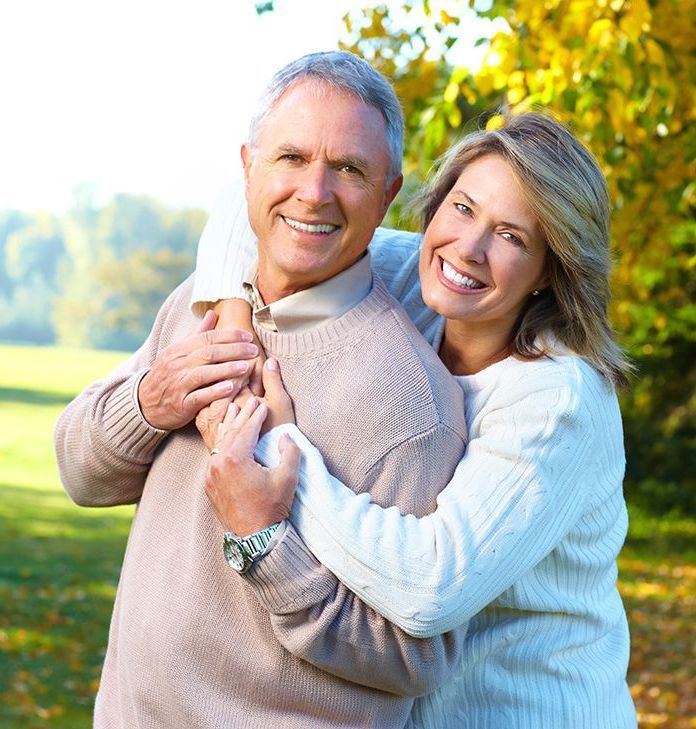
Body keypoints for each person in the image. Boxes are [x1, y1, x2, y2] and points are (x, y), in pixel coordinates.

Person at [54, 51, 469, 729]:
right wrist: (150, 402)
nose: (314, 192)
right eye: (291, 158)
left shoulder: (411, 404)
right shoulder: (198, 303)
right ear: (248, 167)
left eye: (349, 169)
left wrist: (264, 542)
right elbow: (79, 473)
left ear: (388, 193)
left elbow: (414, 658)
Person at [194, 111, 639, 728]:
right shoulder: (414, 276)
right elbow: (245, 204)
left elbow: (430, 589)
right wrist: (236, 328)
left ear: (550, 269)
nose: (469, 249)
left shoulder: (557, 398)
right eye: (463, 208)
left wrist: (279, 450)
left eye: (511, 236)